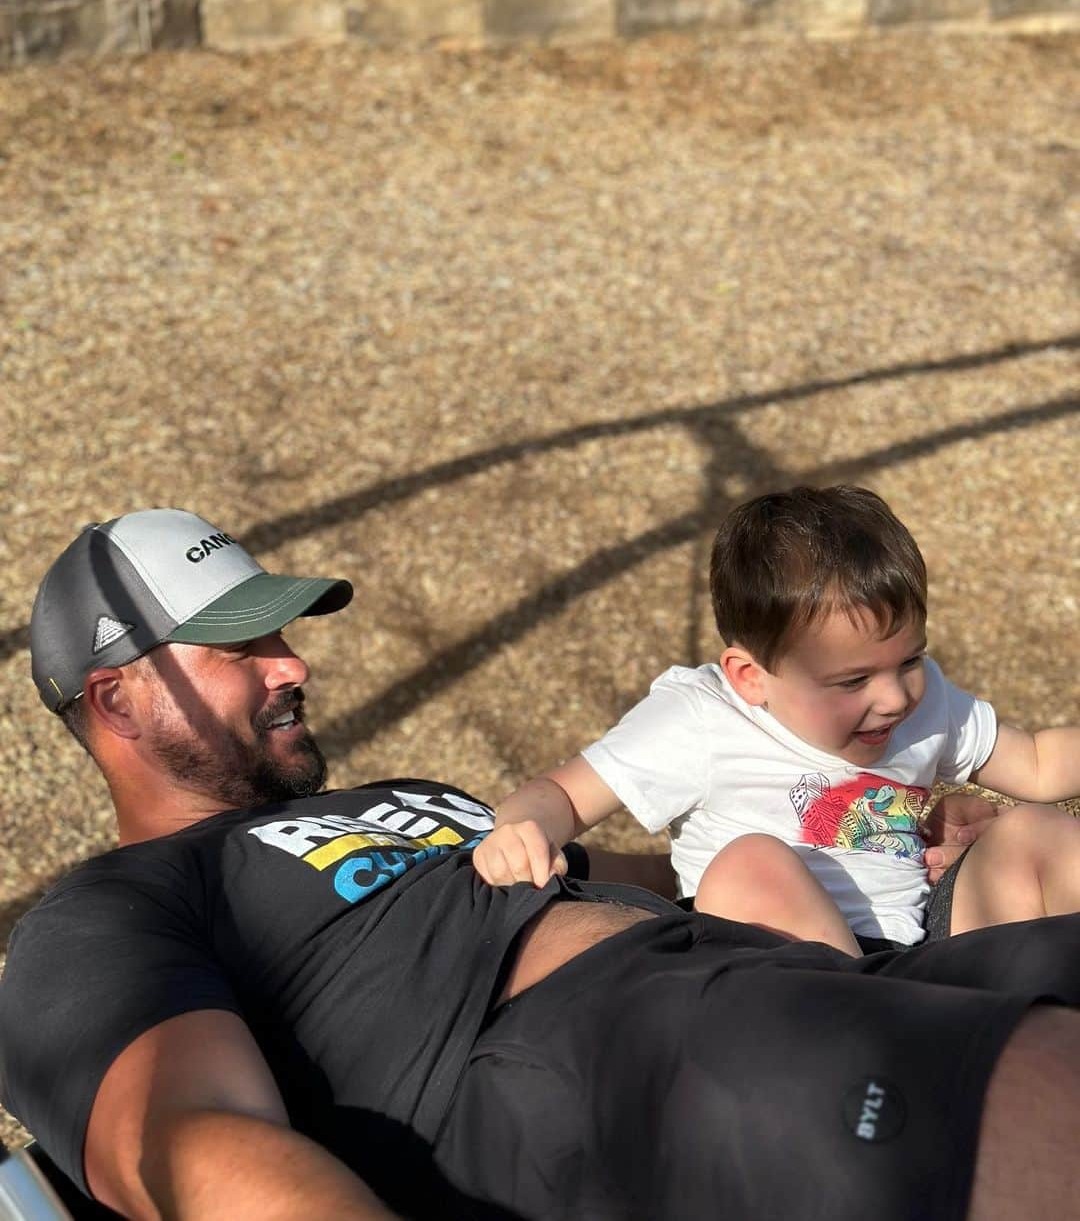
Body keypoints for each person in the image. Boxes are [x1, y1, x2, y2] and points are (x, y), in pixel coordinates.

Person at [3, 508, 1080, 1221]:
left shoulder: (403, 801)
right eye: (243, 651)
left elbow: (650, 865)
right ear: (119, 700)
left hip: (783, 964)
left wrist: (885, 825)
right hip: (631, 1060)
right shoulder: (110, 913)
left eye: (283, 635)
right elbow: (193, 1153)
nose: (296, 665)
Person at [474, 486, 1080, 957]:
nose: (895, 697)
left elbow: (1037, 764)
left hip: (923, 948)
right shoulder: (702, 719)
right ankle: (864, 1049)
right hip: (783, 972)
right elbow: (562, 794)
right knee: (748, 866)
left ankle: (1015, 1028)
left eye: (911, 660)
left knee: (1035, 832)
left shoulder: (922, 706)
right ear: (750, 677)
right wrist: (524, 828)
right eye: (853, 681)